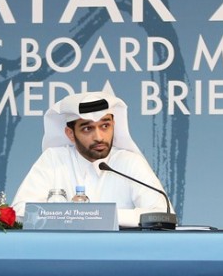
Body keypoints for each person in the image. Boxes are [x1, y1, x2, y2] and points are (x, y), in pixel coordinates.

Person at [11, 91, 172, 227]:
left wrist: (97, 216)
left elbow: (162, 214)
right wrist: (82, 216)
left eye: (105, 126)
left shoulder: (129, 162)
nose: (99, 137)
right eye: (88, 128)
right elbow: (20, 211)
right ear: (70, 134)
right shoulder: (53, 160)